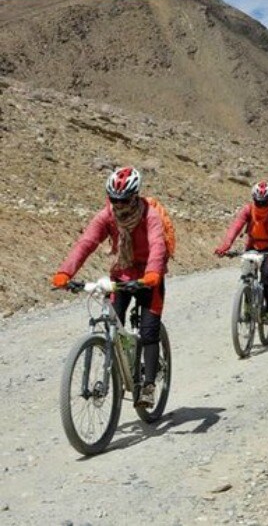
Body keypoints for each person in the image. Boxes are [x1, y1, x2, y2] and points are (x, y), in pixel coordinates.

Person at [54, 167, 168, 408]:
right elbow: (87, 242)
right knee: (114, 319)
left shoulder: (150, 216)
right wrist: (66, 271)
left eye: (124, 200)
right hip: (123, 273)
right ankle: (123, 364)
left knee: (149, 330)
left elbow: (158, 245)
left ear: (135, 196)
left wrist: (153, 273)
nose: (118, 204)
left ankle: (148, 385)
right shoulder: (107, 216)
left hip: (150, 274)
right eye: (113, 199)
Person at [215, 181, 268, 321]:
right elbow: (236, 226)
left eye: (264, 202)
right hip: (253, 245)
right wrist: (225, 245)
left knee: (267, 275)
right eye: (258, 202)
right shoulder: (248, 209)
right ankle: (247, 307)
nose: (261, 205)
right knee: (247, 275)